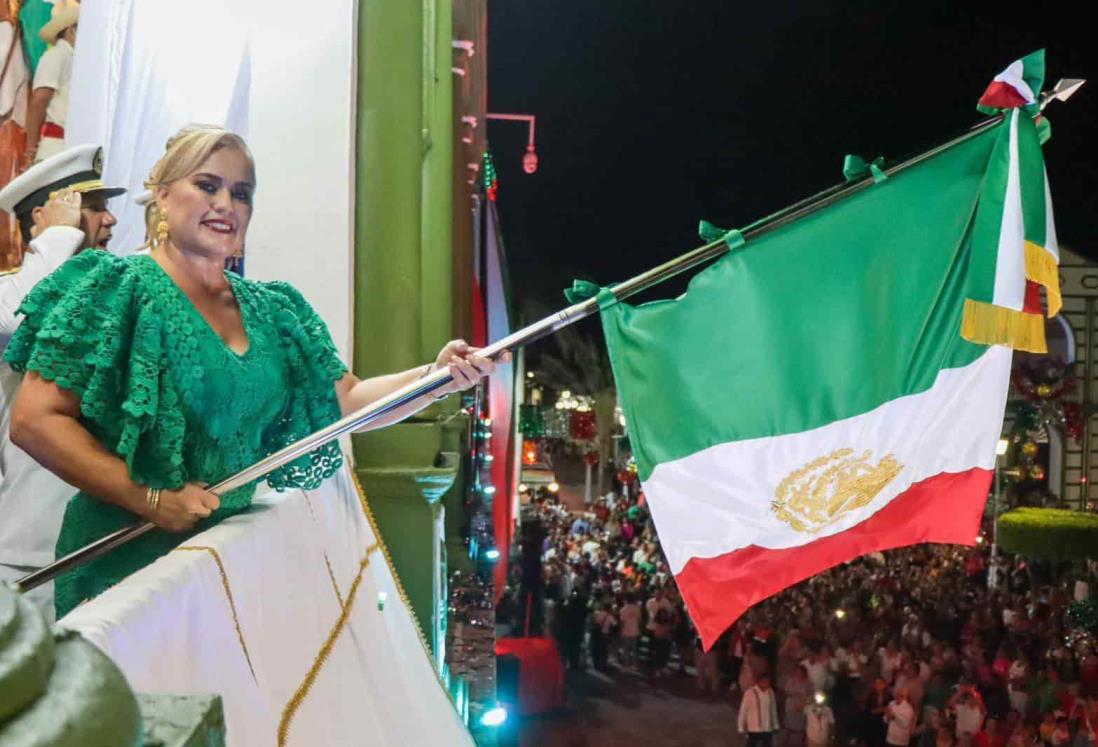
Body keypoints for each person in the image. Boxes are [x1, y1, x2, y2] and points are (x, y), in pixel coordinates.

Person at [5, 125, 500, 617]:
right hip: (123, 570)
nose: (226, 203)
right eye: (206, 185)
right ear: (162, 195)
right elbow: (34, 420)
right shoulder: (114, 290)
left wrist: (436, 377)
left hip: (224, 563)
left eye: (241, 193)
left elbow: (348, 401)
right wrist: (149, 497)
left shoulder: (274, 310)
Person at [0, 144, 123, 620]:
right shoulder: (13, 289)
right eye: (91, 210)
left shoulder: (117, 292)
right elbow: (19, 319)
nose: (108, 221)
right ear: (47, 219)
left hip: (111, 534)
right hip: (33, 551)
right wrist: (55, 240)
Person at [24, 0, 79, 166]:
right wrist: (31, 149)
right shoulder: (57, 55)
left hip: (68, 150)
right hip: (54, 151)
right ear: (71, 30)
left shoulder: (73, 59)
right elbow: (39, 102)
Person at [739, 673, 781, 747]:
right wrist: (741, 727)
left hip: (767, 727)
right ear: (759, 682)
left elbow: (773, 710)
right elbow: (743, 711)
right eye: (765, 682)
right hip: (754, 727)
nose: (767, 684)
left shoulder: (770, 692)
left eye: (768, 682)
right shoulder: (750, 693)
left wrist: (775, 725)